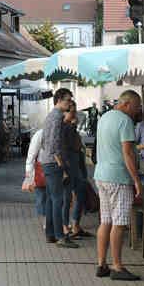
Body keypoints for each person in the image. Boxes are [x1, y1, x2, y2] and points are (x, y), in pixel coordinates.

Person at [94, 90, 142, 280]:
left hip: (101, 175)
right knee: (119, 223)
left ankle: (101, 264)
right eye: (137, 107)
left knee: (105, 220)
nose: (137, 111)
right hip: (118, 177)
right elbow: (128, 154)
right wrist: (136, 181)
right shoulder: (125, 121)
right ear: (127, 104)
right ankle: (118, 267)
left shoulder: (104, 117)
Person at [39, 88, 79, 248]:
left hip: (48, 162)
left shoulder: (52, 116)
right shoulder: (56, 117)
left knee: (51, 199)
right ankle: (60, 236)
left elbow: (45, 141)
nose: (70, 103)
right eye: (68, 100)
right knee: (58, 200)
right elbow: (54, 143)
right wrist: (61, 163)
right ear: (59, 100)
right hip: (54, 163)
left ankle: (50, 234)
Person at [62, 101, 91, 239]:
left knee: (80, 193)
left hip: (77, 163)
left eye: (75, 111)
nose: (74, 115)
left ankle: (75, 225)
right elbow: (66, 144)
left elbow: (77, 144)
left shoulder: (71, 127)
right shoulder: (63, 126)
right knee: (67, 198)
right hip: (68, 164)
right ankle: (65, 227)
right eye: (71, 112)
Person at [25, 128, 47, 232]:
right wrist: (29, 174)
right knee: (41, 196)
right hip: (41, 168)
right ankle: (45, 221)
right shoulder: (40, 134)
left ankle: (52, 220)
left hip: (53, 168)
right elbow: (31, 154)